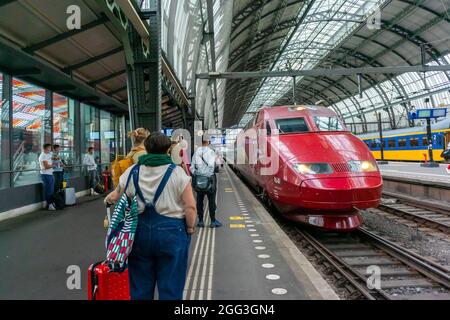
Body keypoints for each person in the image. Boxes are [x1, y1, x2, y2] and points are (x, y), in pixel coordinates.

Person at [104, 132, 196, 300]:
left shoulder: (133, 171)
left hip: (140, 233)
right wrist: (189, 227)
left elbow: (115, 196)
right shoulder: (178, 173)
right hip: (172, 233)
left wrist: (108, 200)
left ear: (146, 149)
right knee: (171, 287)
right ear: (168, 149)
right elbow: (190, 206)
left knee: (140, 287)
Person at [191, 136, 222, 228]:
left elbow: (192, 168)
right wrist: (208, 175)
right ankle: (213, 221)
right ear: (208, 142)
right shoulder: (211, 152)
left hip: (198, 180)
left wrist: (197, 174)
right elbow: (213, 167)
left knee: (199, 200)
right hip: (210, 179)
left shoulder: (196, 153)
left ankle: (200, 221)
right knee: (211, 200)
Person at [39, 143, 55, 211]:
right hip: (46, 174)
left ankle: (50, 203)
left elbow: (52, 157)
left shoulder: (48, 154)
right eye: (49, 148)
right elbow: (46, 166)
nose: (50, 149)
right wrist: (54, 165)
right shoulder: (42, 156)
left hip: (50, 174)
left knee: (51, 190)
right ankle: (49, 204)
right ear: (46, 148)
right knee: (49, 190)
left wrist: (56, 158)